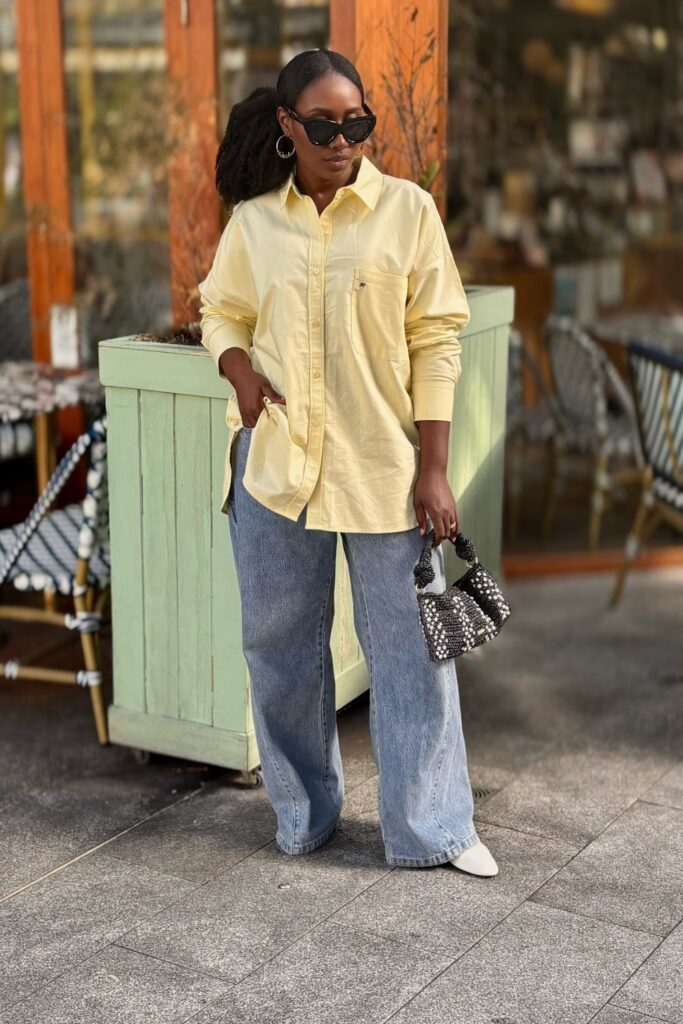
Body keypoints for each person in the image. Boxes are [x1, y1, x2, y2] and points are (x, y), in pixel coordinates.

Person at [198, 47, 498, 877]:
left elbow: (436, 339)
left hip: (383, 471)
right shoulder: (255, 223)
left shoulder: (406, 213)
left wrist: (432, 470)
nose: (342, 139)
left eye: (357, 123)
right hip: (276, 473)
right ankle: (303, 817)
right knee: (281, 651)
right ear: (289, 128)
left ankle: (433, 827)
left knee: (413, 655)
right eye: (323, 125)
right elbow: (219, 309)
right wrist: (239, 370)